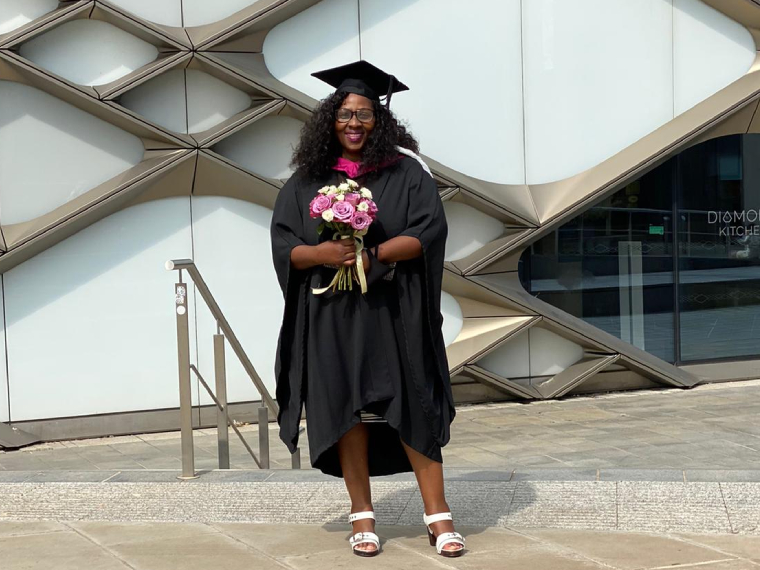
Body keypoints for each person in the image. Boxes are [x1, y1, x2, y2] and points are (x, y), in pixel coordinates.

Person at [270, 60, 464, 558]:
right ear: (329, 120)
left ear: (380, 121)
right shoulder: (308, 180)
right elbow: (285, 244)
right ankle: (363, 516)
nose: (353, 124)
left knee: (414, 402)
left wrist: (373, 254)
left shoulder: (406, 175)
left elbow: (429, 232)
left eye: (363, 115)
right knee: (346, 408)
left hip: (392, 308)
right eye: (344, 115)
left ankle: (438, 517)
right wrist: (323, 254)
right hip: (331, 314)